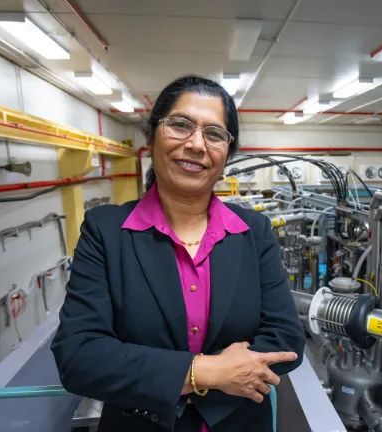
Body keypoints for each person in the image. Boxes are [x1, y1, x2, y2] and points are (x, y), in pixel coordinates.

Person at [51, 75, 306, 432]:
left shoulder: (253, 232)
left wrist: (175, 384)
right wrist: (207, 373)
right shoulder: (106, 231)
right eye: (181, 125)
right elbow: (79, 356)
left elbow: (285, 339)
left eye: (214, 134)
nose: (196, 144)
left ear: (227, 153)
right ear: (152, 134)